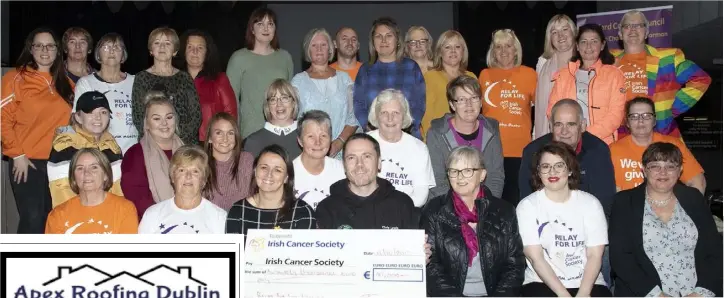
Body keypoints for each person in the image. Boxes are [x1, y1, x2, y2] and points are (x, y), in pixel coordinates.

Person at [609, 143, 722, 297]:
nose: (663, 172)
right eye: (655, 166)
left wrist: (701, 292)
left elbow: (715, 251)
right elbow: (620, 258)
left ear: (680, 170)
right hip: (644, 292)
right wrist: (656, 295)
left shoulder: (693, 198)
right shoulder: (624, 201)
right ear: (643, 169)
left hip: (697, 291)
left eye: (670, 166)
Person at [423, 146, 525, 296]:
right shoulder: (434, 210)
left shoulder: (504, 211)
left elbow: (514, 266)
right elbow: (432, 267)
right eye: (454, 171)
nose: (460, 177)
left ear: (482, 174)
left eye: (467, 170)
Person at [1, 28, 75, 234]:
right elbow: (3, 119)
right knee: (32, 220)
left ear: (57, 50)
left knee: (55, 219)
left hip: (59, 162)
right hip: (28, 162)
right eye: (39, 45)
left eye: (50, 45)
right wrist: (17, 155)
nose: (45, 50)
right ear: (30, 49)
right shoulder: (15, 78)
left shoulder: (65, 83)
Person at [517, 141, 611, 297]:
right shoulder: (527, 206)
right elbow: (536, 258)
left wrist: (584, 293)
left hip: (588, 283)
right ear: (538, 173)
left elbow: (594, 255)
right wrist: (564, 295)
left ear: (570, 170)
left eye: (559, 165)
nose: (552, 172)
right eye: (546, 167)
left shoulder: (591, 204)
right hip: (541, 282)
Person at [612, 10, 711, 138]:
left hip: (660, 135)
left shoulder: (669, 58)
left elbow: (701, 78)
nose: (632, 30)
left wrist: (672, 109)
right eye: (627, 26)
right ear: (620, 34)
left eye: (639, 25)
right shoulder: (609, 61)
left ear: (647, 32)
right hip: (620, 136)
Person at [519, 99, 616, 215]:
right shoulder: (533, 152)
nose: (564, 131)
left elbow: (604, 203)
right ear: (550, 126)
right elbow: (527, 201)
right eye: (558, 124)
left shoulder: (598, 151)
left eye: (571, 124)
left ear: (583, 126)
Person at [479, 29, 537, 206]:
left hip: (521, 150)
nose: (503, 51)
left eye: (508, 46)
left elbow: (542, 112)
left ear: (516, 50)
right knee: (492, 204)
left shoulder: (530, 75)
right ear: (493, 52)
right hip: (491, 151)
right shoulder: (484, 75)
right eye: (498, 47)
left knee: (517, 203)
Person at [316, 133, 419, 229]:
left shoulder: (402, 204)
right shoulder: (327, 209)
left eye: (367, 157)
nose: (359, 164)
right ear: (344, 165)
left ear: (379, 162)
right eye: (351, 158)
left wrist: (421, 248)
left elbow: (412, 246)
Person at [426, 75, 505, 199]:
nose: (469, 105)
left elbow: (495, 177)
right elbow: (437, 180)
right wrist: (462, 210)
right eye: (462, 99)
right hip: (445, 205)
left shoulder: (491, 130)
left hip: (483, 205)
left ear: (480, 102)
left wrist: (485, 207)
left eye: (474, 98)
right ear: (452, 105)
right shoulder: (436, 133)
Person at [547, 24, 625, 145]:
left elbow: (615, 115)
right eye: (583, 42)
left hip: (602, 143)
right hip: (567, 142)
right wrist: (569, 133)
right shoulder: (564, 75)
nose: (588, 46)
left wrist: (586, 135)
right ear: (577, 46)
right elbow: (552, 110)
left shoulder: (614, 75)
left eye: (594, 41)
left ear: (602, 45)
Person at [609, 97, 705, 194]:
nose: (640, 120)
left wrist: (687, 207)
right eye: (634, 116)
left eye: (646, 115)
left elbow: (698, 182)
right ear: (627, 122)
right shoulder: (612, 150)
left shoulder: (674, 145)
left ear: (654, 120)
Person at [48, 91, 124, 208]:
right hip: (78, 217)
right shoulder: (65, 145)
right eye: (90, 112)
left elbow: (118, 187)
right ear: (78, 117)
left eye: (103, 112)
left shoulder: (111, 144)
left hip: (110, 214)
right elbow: (62, 192)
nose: (98, 117)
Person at [227, 7, 294, 138]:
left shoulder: (285, 57)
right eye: (260, 24)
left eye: (270, 24)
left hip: (281, 131)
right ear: (252, 29)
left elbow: (291, 98)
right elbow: (231, 101)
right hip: (250, 132)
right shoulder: (238, 58)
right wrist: (233, 134)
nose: (266, 28)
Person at [292, 28, 359, 159]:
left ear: (330, 49)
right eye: (314, 45)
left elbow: (354, 117)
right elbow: (294, 121)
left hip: (342, 154)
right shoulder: (297, 82)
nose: (319, 49)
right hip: (311, 153)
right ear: (307, 50)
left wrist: (340, 142)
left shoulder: (345, 79)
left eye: (323, 45)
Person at [353, 17, 425, 139]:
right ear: (373, 41)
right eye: (378, 36)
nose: (383, 40)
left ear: (397, 40)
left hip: (407, 137)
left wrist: (403, 129)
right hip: (374, 138)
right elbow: (359, 106)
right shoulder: (365, 70)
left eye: (389, 35)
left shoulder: (411, 67)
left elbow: (419, 105)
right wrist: (372, 129)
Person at [131, 27, 201, 145]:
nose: (162, 47)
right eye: (157, 43)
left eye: (167, 43)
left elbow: (196, 115)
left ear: (174, 51)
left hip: (184, 144)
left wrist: (177, 141)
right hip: (153, 144)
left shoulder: (185, 78)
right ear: (151, 50)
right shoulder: (141, 78)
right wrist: (161, 142)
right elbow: (139, 116)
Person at [226, 144, 316, 235]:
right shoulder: (238, 211)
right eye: (264, 167)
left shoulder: (302, 212)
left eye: (277, 170)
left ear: (286, 178)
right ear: (255, 171)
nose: (269, 174)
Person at [121, 91, 184, 218]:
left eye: (169, 117)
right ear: (147, 124)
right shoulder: (134, 155)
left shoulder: (188, 151)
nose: (164, 123)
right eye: (156, 118)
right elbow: (138, 200)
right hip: (156, 223)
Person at [367, 89, 435, 207]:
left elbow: (421, 194)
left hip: (406, 212)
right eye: (384, 113)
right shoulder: (363, 143)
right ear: (376, 116)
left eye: (396, 113)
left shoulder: (419, 148)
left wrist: (399, 209)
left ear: (404, 116)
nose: (390, 118)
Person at [45, 148, 138, 234]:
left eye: (94, 167)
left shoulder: (125, 209)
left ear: (105, 174)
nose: (86, 173)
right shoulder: (57, 215)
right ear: (73, 177)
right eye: (80, 168)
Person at [139, 145, 227, 234]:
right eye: (182, 170)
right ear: (173, 177)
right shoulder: (152, 215)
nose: (188, 176)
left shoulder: (219, 218)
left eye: (195, 171)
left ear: (203, 180)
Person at [74, 33, 137, 154]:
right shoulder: (86, 83)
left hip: (132, 153)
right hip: (99, 153)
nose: (112, 51)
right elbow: (77, 121)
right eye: (106, 47)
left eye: (117, 47)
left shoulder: (136, 81)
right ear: (98, 54)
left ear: (123, 55)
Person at [176, 29, 237, 143]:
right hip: (179, 144)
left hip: (210, 143)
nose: (195, 51)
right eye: (190, 47)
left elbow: (231, 116)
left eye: (200, 48)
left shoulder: (219, 79)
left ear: (207, 52)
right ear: (183, 51)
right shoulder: (175, 79)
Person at [422, 30, 476, 140]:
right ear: (440, 52)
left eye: (457, 47)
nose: (453, 51)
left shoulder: (472, 77)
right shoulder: (430, 77)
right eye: (447, 47)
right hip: (439, 138)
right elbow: (426, 115)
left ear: (463, 51)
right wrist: (432, 139)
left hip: (468, 138)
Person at [293, 110, 346, 209]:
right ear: (300, 141)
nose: (318, 142)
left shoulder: (343, 171)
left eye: (323, 136)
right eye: (311, 136)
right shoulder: (289, 173)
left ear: (331, 139)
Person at [535, 15, 577, 139]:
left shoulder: (585, 62)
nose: (560, 35)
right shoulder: (543, 66)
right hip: (549, 133)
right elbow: (540, 108)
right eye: (554, 32)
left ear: (574, 32)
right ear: (550, 38)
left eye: (565, 29)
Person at [204, 112, 254, 211]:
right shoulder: (200, 163)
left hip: (241, 222)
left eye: (230, 133)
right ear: (210, 138)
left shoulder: (246, 160)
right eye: (219, 133)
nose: (225, 139)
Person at [243, 79, 302, 159]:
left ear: (293, 102)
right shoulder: (253, 142)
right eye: (273, 99)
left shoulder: (307, 137)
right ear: (268, 106)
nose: (279, 104)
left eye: (284, 98)